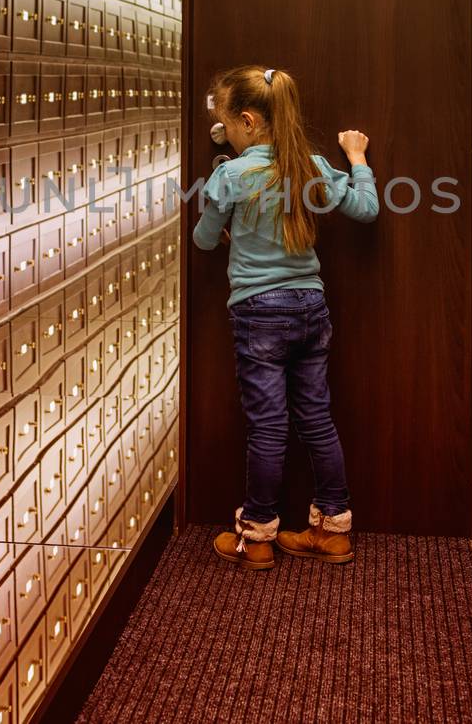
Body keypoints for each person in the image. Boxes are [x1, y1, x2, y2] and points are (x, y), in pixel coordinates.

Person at [192, 65, 379, 569]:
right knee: (317, 418)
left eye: (228, 126)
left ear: (248, 123)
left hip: (258, 314)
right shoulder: (313, 164)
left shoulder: (230, 174)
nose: (225, 134)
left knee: (268, 428)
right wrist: (358, 159)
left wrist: (226, 217)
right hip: (310, 307)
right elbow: (366, 208)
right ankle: (333, 530)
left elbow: (204, 239)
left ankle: (256, 538)